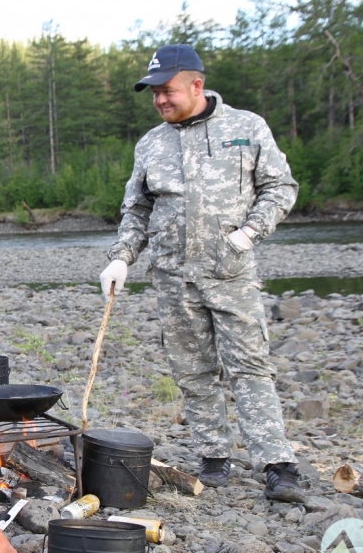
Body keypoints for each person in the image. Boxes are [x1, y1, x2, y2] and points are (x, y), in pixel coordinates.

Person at [99, 44, 305, 503]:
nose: (159, 100)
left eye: (167, 91)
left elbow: (280, 187)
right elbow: (137, 209)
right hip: (172, 277)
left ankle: (277, 464)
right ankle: (213, 456)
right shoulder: (151, 143)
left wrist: (249, 234)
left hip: (230, 273)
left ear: (196, 85)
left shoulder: (246, 127)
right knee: (193, 372)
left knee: (250, 367)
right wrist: (122, 257)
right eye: (154, 93)